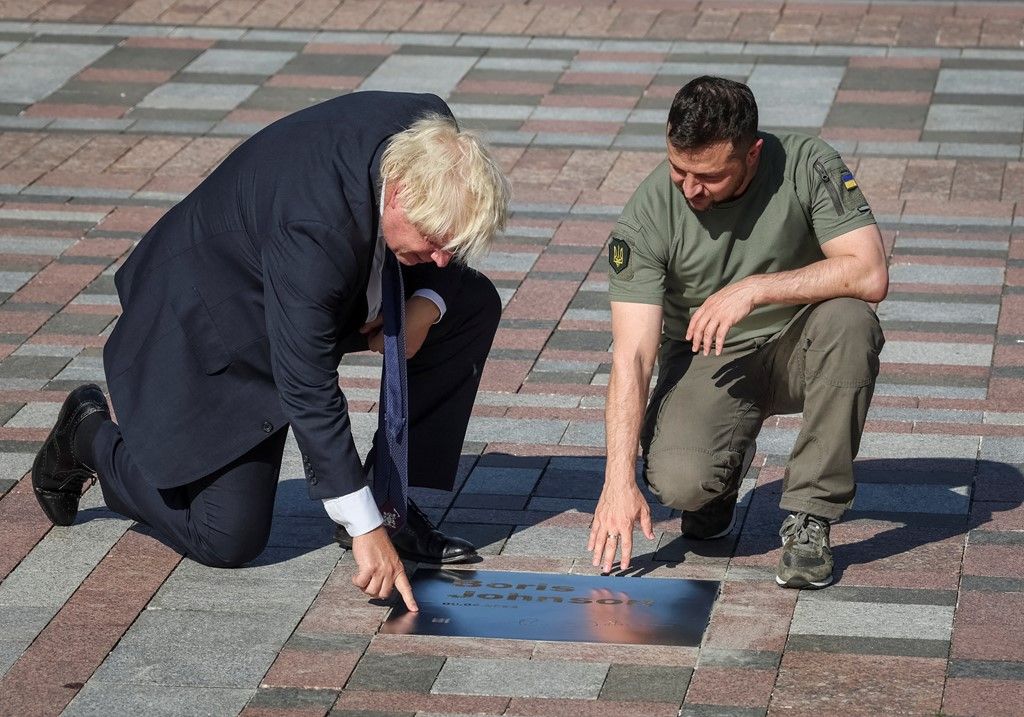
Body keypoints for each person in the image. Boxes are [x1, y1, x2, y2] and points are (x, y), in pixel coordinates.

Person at [31, 91, 511, 611]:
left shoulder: (435, 139)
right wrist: (362, 526)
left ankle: (391, 499)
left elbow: (438, 264)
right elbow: (305, 382)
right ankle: (87, 435)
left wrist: (425, 304)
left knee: (469, 300)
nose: (441, 258)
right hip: (213, 317)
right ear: (397, 195)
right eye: (433, 240)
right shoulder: (315, 230)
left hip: (315, 288)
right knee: (225, 536)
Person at [588, 76, 888, 589]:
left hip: (803, 341)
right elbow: (632, 356)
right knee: (681, 485)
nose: (689, 188)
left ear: (752, 153)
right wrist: (616, 480)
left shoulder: (807, 165)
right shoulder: (648, 215)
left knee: (851, 320)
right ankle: (722, 475)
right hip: (709, 357)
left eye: (708, 177)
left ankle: (810, 515)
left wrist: (754, 289)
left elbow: (869, 272)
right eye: (677, 168)